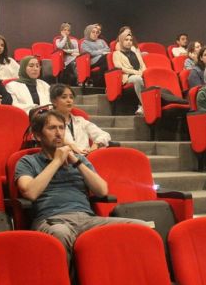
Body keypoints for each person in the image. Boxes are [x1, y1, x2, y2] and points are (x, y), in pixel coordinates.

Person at [16, 109, 143, 268]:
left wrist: (76, 161)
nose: (59, 133)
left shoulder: (79, 160)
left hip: (87, 219)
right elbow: (30, 192)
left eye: (61, 127)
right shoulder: (27, 162)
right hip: (52, 220)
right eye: (52, 128)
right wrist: (56, 161)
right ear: (37, 135)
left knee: (139, 227)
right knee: (60, 233)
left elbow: (102, 191)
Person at [51, 83, 111, 154]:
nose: (69, 100)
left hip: (86, 157)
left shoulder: (80, 121)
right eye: (64, 97)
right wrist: (70, 145)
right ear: (54, 101)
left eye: (71, 97)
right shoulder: (49, 122)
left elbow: (105, 135)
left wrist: (95, 145)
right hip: (64, 158)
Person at [112, 32, 146, 115]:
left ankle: (142, 106)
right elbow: (119, 67)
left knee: (149, 78)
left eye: (131, 40)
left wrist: (144, 72)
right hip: (127, 76)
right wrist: (136, 72)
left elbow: (143, 66)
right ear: (121, 41)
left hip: (140, 74)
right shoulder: (116, 54)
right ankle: (145, 106)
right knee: (137, 79)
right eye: (126, 40)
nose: (129, 42)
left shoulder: (137, 54)